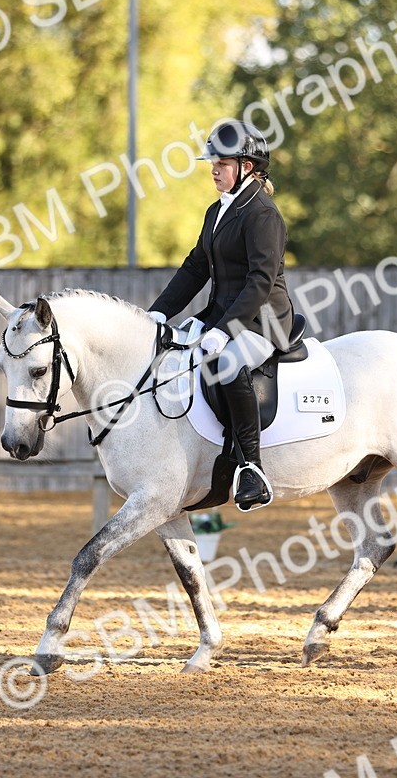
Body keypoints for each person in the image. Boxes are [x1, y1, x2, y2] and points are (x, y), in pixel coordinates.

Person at [147, 119, 294, 510]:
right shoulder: (217, 211)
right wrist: (158, 313)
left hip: (263, 320)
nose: (213, 169)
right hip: (223, 314)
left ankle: (251, 468)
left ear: (246, 166)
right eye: (212, 162)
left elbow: (260, 281)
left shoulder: (263, 214)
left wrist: (226, 330)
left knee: (227, 364)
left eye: (222, 163)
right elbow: (195, 268)